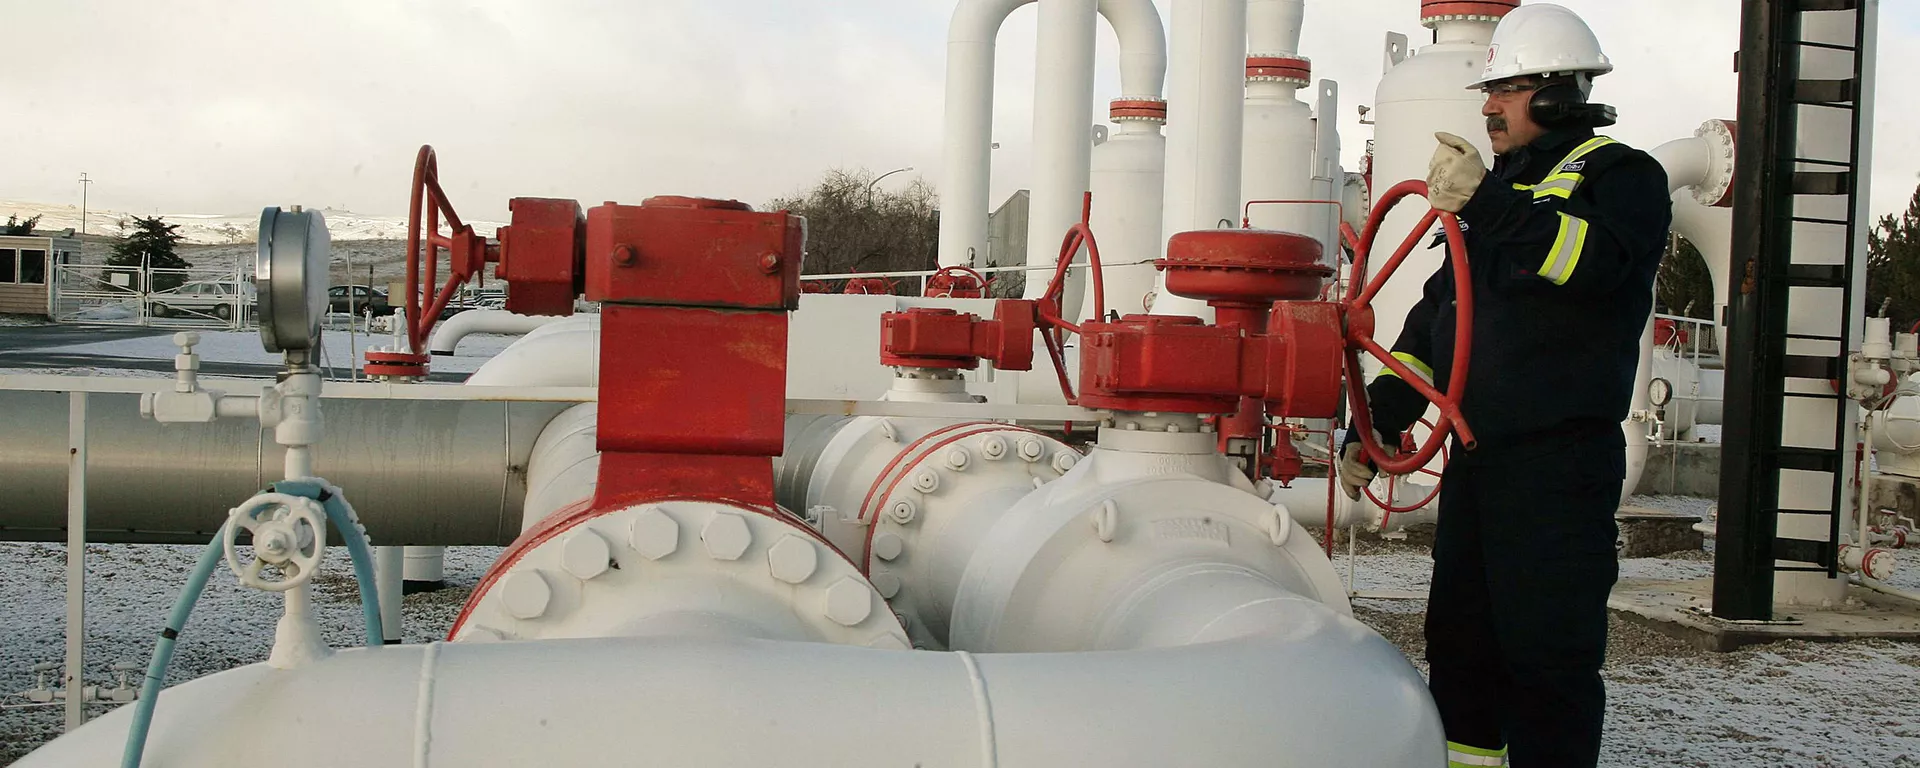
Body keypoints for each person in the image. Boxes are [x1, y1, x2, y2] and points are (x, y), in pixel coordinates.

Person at [1337, 4, 1672, 766]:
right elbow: (1433, 328)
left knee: (1547, 667)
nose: (1486, 105)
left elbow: (1595, 267)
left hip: (1559, 472)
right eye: (1489, 90)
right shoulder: (1491, 199)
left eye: (1507, 89)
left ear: (1556, 97)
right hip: (1478, 467)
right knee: (1460, 656)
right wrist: (1378, 422)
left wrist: (1485, 202)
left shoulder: (1623, 180)